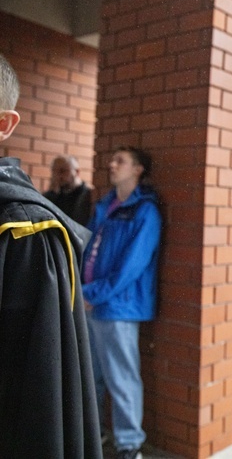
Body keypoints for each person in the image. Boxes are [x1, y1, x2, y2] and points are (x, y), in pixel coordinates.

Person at [0, 53, 102, 457]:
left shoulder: (27, 234)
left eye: (65, 172)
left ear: (3, 125)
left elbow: (41, 404)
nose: (59, 177)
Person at [82, 146, 161, 459]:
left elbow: (132, 266)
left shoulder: (145, 211)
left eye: (121, 161)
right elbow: (86, 248)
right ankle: (95, 432)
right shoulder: (105, 205)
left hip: (117, 308)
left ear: (138, 169)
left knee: (122, 377)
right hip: (89, 303)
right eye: (111, 158)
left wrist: (92, 294)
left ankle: (129, 446)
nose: (111, 164)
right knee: (91, 376)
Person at [43, 154, 93, 226]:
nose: (58, 176)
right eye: (54, 171)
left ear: (77, 172)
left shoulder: (88, 196)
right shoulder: (52, 196)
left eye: (63, 171)